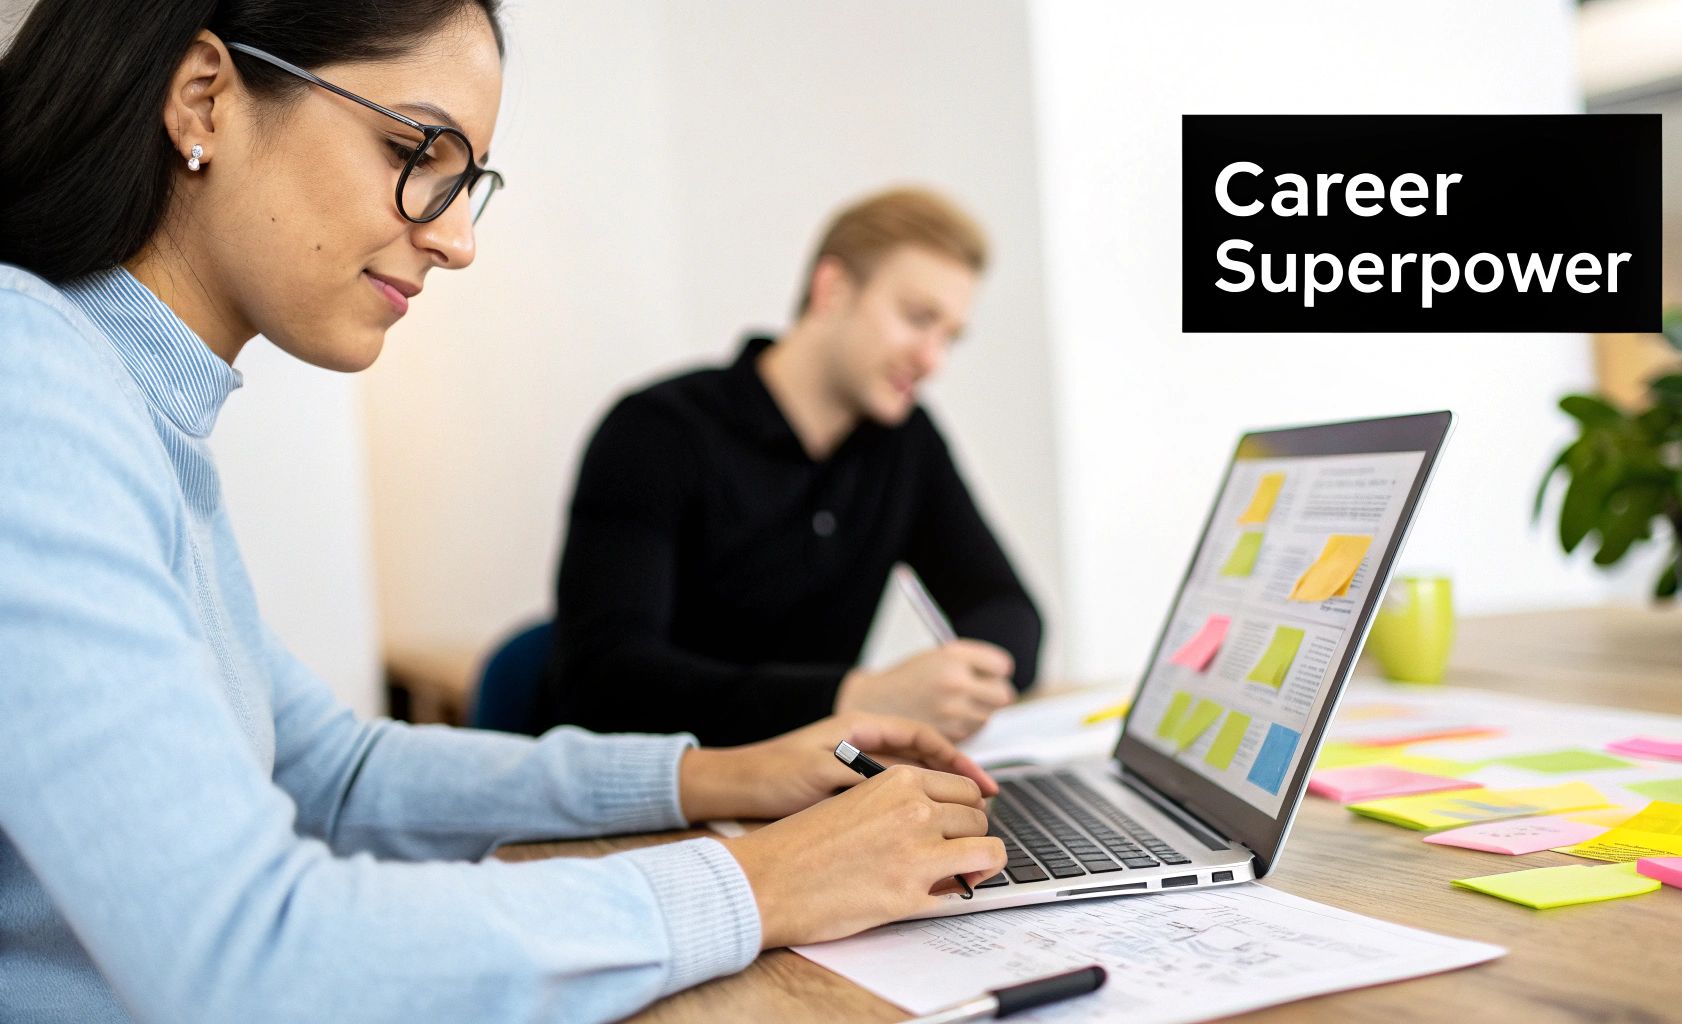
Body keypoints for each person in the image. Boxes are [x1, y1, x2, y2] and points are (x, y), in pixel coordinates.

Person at [0, 3, 1005, 1022]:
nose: (457, 239)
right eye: (415, 152)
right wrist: (769, 880)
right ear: (204, 99)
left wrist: (724, 777)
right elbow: (251, 955)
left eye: (466, 180)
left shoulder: (138, 416)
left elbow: (333, 774)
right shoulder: (26, 387)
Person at [542, 188, 1044, 746]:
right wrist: (854, 698)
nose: (933, 360)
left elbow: (1006, 607)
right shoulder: (656, 432)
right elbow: (603, 682)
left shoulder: (904, 440)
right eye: (917, 318)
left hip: (822, 781)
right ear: (832, 289)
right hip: (668, 784)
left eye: (948, 336)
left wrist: (961, 682)